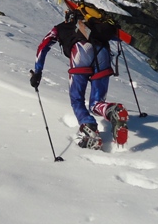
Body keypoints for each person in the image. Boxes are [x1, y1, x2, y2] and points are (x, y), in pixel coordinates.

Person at [30, 10, 129, 149]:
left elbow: (43, 46)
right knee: (96, 103)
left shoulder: (60, 28)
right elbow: (118, 37)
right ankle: (112, 110)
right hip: (103, 54)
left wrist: (38, 72)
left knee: (77, 99)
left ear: (67, 18)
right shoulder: (93, 26)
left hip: (80, 53)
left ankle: (89, 128)